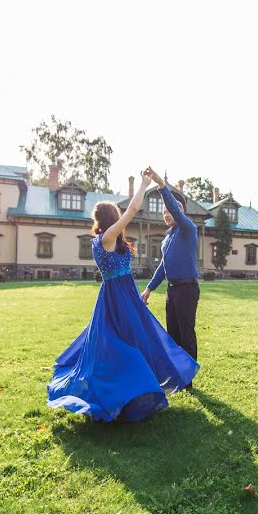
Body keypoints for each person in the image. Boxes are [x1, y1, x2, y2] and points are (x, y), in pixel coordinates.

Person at [46, 169, 198, 422]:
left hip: (133, 293)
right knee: (129, 342)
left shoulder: (176, 231)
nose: (121, 216)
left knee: (145, 338)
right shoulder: (106, 238)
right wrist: (144, 184)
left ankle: (162, 382)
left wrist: (146, 289)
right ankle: (126, 391)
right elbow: (133, 211)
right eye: (117, 214)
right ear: (111, 217)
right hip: (117, 296)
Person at [141, 168, 200, 377]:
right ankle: (177, 375)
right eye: (164, 212)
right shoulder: (167, 238)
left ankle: (188, 376)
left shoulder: (188, 229)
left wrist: (160, 184)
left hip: (188, 289)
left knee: (186, 333)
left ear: (180, 212)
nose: (166, 214)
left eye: (170, 211)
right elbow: (162, 267)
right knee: (173, 334)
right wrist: (149, 289)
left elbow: (174, 208)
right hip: (172, 291)